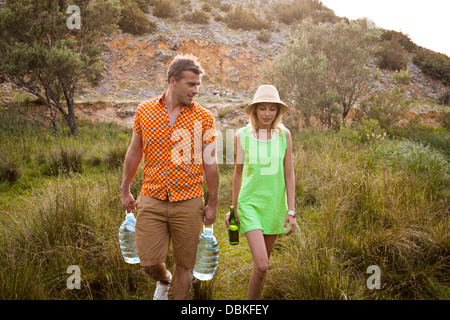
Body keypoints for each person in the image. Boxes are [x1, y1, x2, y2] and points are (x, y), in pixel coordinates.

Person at [120, 54, 219, 300]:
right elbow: (134, 152)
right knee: (148, 262)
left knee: (186, 264)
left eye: (198, 85)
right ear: (173, 81)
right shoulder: (145, 111)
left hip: (189, 200)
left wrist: (213, 201)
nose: (196, 90)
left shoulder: (204, 117)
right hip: (151, 197)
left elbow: (210, 161)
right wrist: (125, 189)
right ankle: (164, 279)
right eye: (191, 84)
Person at [225, 84, 296, 300]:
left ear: (278, 111)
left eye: (272, 108)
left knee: (262, 267)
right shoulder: (241, 135)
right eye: (262, 108)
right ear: (255, 110)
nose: (267, 113)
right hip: (250, 204)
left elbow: (289, 175)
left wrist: (291, 211)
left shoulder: (284, 135)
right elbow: (237, 174)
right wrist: (234, 208)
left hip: (274, 205)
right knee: (263, 263)